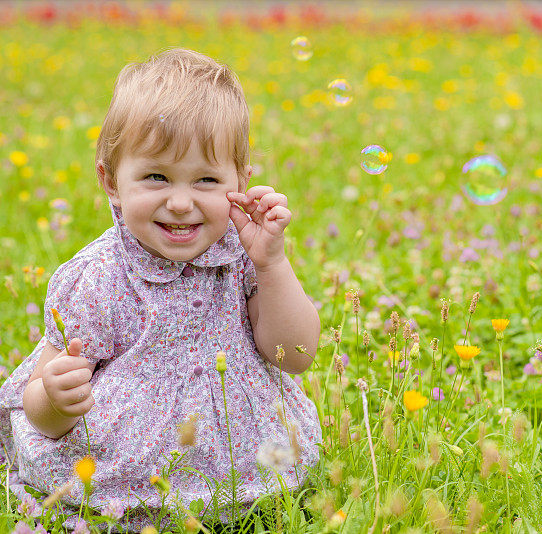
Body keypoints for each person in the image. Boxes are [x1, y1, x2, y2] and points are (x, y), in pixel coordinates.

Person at [0, 47, 322, 532]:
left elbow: (293, 355)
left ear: (241, 181)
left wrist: (271, 264)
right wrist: (53, 399)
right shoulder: (100, 276)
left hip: (251, 455)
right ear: (110, 180)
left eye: (207, 180)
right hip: (127, 473)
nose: (179, 202)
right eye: (156, 176)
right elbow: (40, 404)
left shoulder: (241, 257)